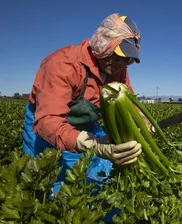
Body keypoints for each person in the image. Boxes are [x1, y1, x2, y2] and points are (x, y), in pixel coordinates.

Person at [22, 13, 151, 201]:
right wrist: (90, 144)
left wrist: (142, 119)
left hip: (87, 124)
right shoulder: (63, 64)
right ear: (103, 44)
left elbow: (129, 101)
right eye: (120, 56)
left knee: (98, 176)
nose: (122, 65)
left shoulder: (119, 71)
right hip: (45, 126)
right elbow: (48, 121)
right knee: (50, 184)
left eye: (128, 60)